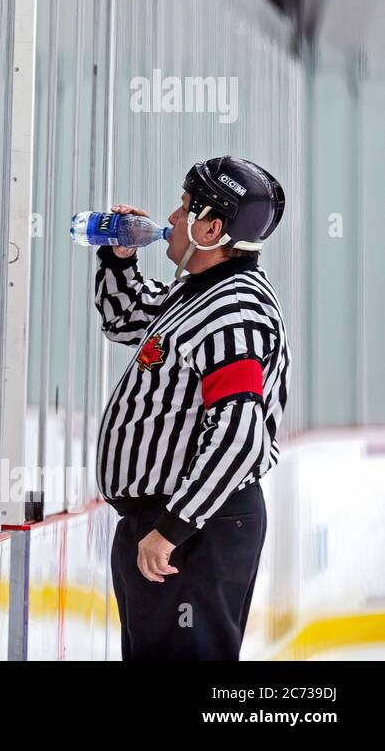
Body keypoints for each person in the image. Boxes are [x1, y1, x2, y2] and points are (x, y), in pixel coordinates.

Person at [93, 155, 289, 660]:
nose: (173, 219)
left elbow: (238, 437)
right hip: (170, 525)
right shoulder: (198, 293)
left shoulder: (233, 311)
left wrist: (173, 527)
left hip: (196, 529)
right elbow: (125, 320)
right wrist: (118, 259)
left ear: (212, 227)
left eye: (184, 208)